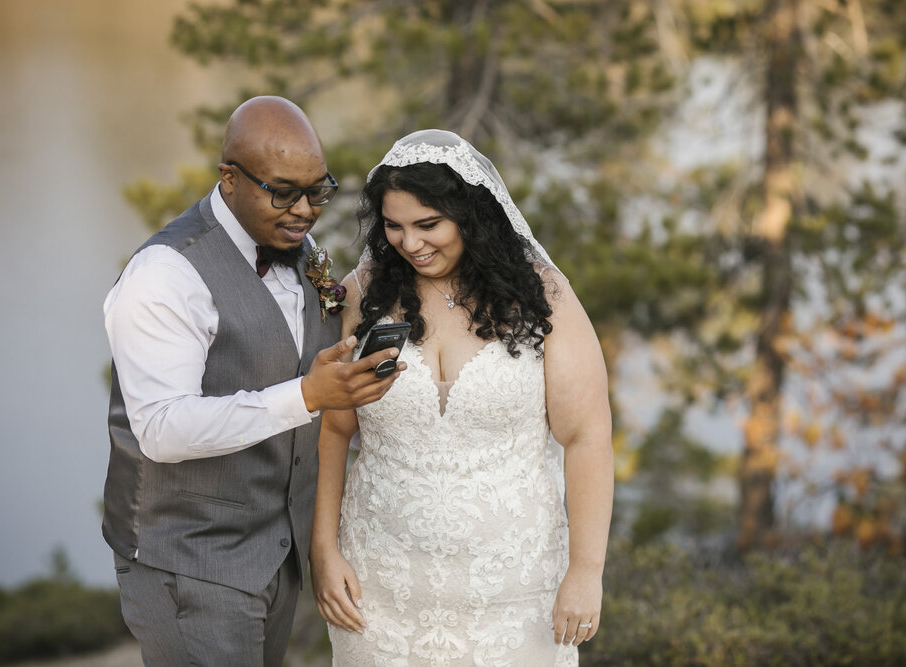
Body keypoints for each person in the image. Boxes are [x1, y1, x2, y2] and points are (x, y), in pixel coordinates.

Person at [101, 96, 406, 667]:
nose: (306, 210)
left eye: (319, 191)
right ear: (229, 179)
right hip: (189, 562)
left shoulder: (299, 247)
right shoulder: (165, 275)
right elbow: (162, 430)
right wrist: (308, 396)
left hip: (274, 556)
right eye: (284, 191)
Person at [310, 130, 614, 665]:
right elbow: (335, 430)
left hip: (514, 591)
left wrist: (586, 571)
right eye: (394, 226)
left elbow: (586, 437)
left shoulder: (543, 299)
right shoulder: (366, 296)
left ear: (471, 216)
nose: (411, 243)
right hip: (381, 588)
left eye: (429, 225)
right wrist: (324, 549)